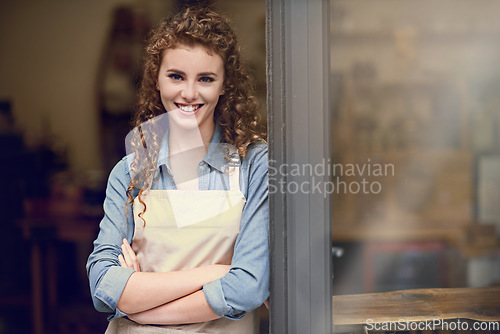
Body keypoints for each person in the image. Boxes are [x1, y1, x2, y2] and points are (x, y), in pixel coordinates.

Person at [86, 6, 269, 333]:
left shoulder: (254, 166)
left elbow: (248, 287)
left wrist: (141, 303)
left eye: (206, 79)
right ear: (156, 79)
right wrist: (214, 273)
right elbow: (104, 286)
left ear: (224, 84)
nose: (188, 93)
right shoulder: (128, 172)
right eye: (176, 76)